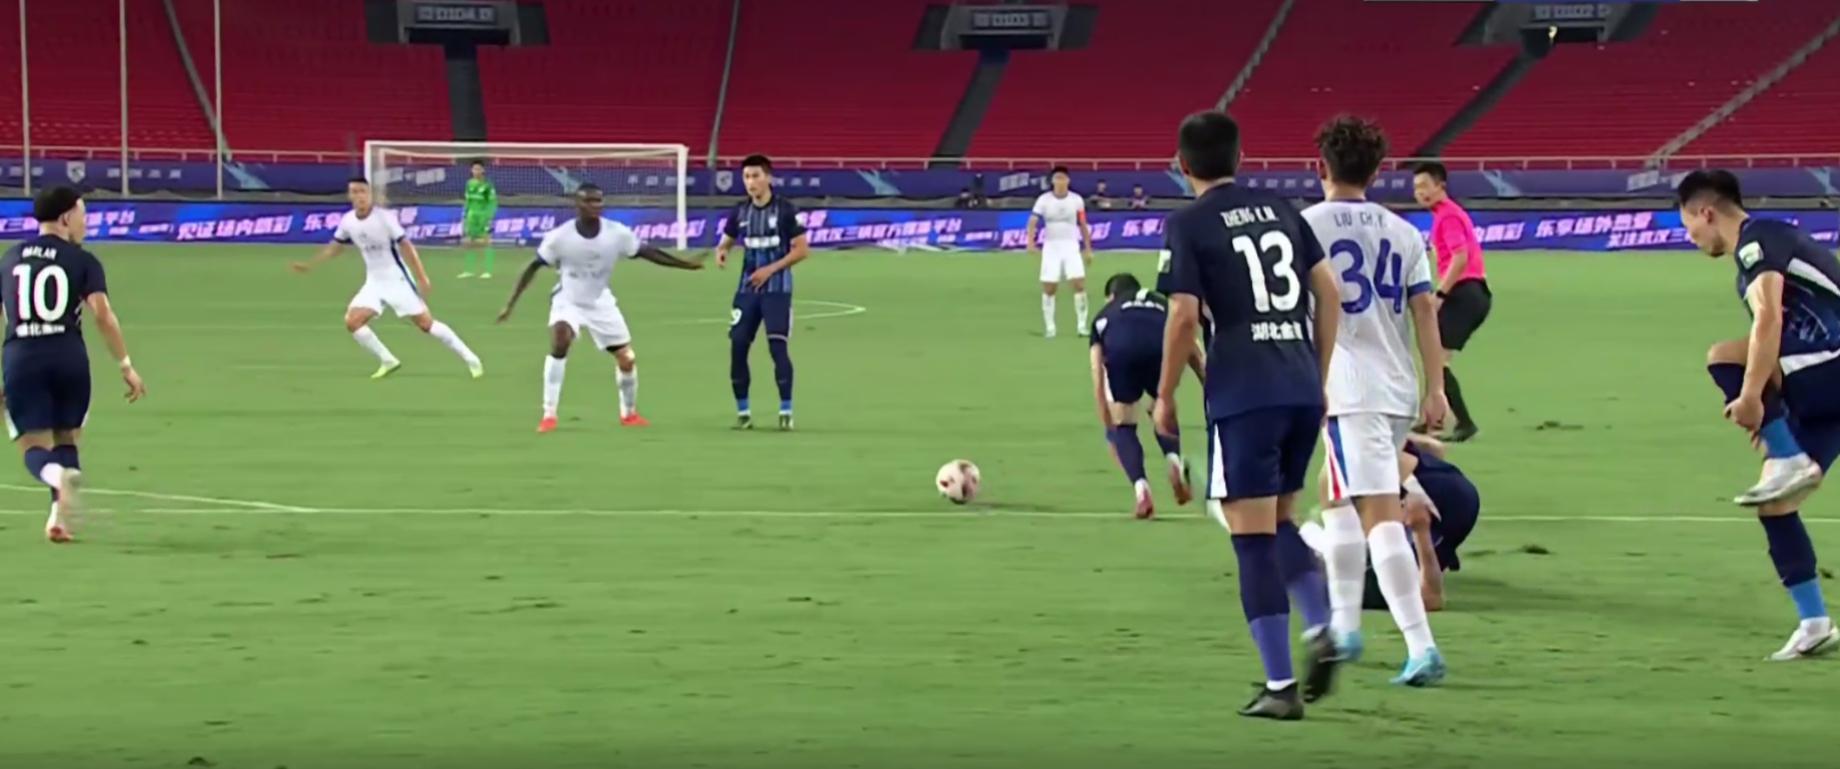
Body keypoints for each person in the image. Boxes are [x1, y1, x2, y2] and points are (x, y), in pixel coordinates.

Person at [1153, 110, 1342, 719]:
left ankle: (1281, 687)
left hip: (1244, 392)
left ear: (1183, 165)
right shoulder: (1283, 208)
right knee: (1280, 519)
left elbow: (1183, 314)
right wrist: (1318, 369)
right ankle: (1322, 625)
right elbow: (1329, 290)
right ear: (1240, 158)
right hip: (1300, 385)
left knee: (1251, 539)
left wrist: (1165, 395)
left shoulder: (1188, 223)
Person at [1303, 116, 1449, 687]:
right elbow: (1425, 310)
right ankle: (1345, 628)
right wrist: (1436, 387)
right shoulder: (1405, 231)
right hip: (1396, 385)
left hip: (1347, 386)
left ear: (1321, 167)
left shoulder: (1305, 226)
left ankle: (1421, 645)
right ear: (1377, 171)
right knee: (1334, 494)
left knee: (1376, 511)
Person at [1680, 169, 1838, 659]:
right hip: (1823, 378)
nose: (1690, 236)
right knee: (1776, 505)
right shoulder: (1771, 241)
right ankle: (1814, 623)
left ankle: (1788, 457)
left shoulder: (1756, 243)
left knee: (1722, 356)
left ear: (1706, 212)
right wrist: (1773, 411)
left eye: (1688, 225)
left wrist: (1751, 398)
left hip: (1833, 364)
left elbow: (1767, 320)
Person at [0, 185, 146, 543]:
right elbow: (103, 315)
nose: (86, 222)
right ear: (66, 217)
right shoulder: (83, 261)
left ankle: (53, 476)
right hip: (69, 356)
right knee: (67, 437)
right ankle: (58, 519)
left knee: (32, 446)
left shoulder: (9, 259)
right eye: (83, 214)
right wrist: (125, 365)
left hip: (23, 356)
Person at [498, 184, 704, 433]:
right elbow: (533, 266)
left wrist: (685, 265)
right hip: (568, 299)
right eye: (589, 201)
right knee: (560, 341)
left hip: (599, 301)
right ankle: (549, 414)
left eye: (598, 201)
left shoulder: (616, 233)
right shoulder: (560, 237)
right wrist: (510, 304)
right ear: (578, 205)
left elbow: (647, 252)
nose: (595, 206)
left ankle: (629, 414)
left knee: (627, 359)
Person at [292, 178, 484, 380]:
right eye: (354, 192)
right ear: (350, 196)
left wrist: (422, 277)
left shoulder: (384, 218)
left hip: (397, 279)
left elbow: (406, 246)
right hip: (374, 281)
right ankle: (388, 360)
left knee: (426, 325)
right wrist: (310, 264)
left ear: (370, 194)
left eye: (362, 191)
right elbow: (336, 246)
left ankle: (471, 359)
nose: (359, 196)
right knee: (353, 321)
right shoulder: (348, 221)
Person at [1302, 434, 1480, 615]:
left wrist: (1421, 532)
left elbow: (1431, 599)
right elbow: (1434, 448)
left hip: (1436, 502)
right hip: (1436, 491)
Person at [1087, 272, 1202, 519]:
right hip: (1159, 346)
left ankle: (1141, 490)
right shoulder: (1162, 303)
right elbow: (1191, 343)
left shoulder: (1104, 315)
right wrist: (1210, 386)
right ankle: (1173, 459)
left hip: (1122, 350)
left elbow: (1097, 373)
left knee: (1124, 422)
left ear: (1112, 296)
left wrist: (1109, 425)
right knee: (1162, 403)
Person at [715, 154, 810, 431]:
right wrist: (722, 251)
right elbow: (727, 241)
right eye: (746, 177)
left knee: (777, 347)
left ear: (768, 178)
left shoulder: (785, 210)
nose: (751, 182)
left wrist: (770, 270)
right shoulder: (740, 212)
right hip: (747, 291)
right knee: (738, 347)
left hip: (777, 290)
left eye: (756, 176)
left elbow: (802, 250)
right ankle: (743, 413)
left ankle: (786, 411)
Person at [1414, 161, 1490, 442]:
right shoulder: (1446, 214)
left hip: (1464, 293)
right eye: (1416, 188)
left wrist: (1440, 295)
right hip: (1470, 293)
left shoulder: (1447, 216)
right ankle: (1433, 420)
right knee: (1434, 358)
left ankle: (1462, 423)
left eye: (1425, 186)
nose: (1420, 193)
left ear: (1440, 186)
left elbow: (1460, 258)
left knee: (1436, 359)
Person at [1027, 166, 1094, 339]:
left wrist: (1088, 248)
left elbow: (1083, 224)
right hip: (1051, 247)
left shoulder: (1076, 200)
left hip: (1071, 246)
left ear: (1068, 181)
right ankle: (1050, 328)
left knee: (1078, 284)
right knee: (1050, 287)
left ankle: (1082, 326)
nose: (1060, 181)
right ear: (1052, 181)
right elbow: (1033, 221)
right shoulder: (1044, 200)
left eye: (1063, 178)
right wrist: (1030, 242)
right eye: (1057, 178)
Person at [458, 160, 498, 279]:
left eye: (478, 169)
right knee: (469, 242)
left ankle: (488, 270)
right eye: (474, 169)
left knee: (486, 242)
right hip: (471, 216)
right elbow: (467, 201)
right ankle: (469, 270)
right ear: (471, 171)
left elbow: (492, 202)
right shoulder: (469, 184)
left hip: (483, 216)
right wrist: (464, 215)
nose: (476, 171)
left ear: (483, 170)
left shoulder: (487, 185)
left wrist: (489, 217)